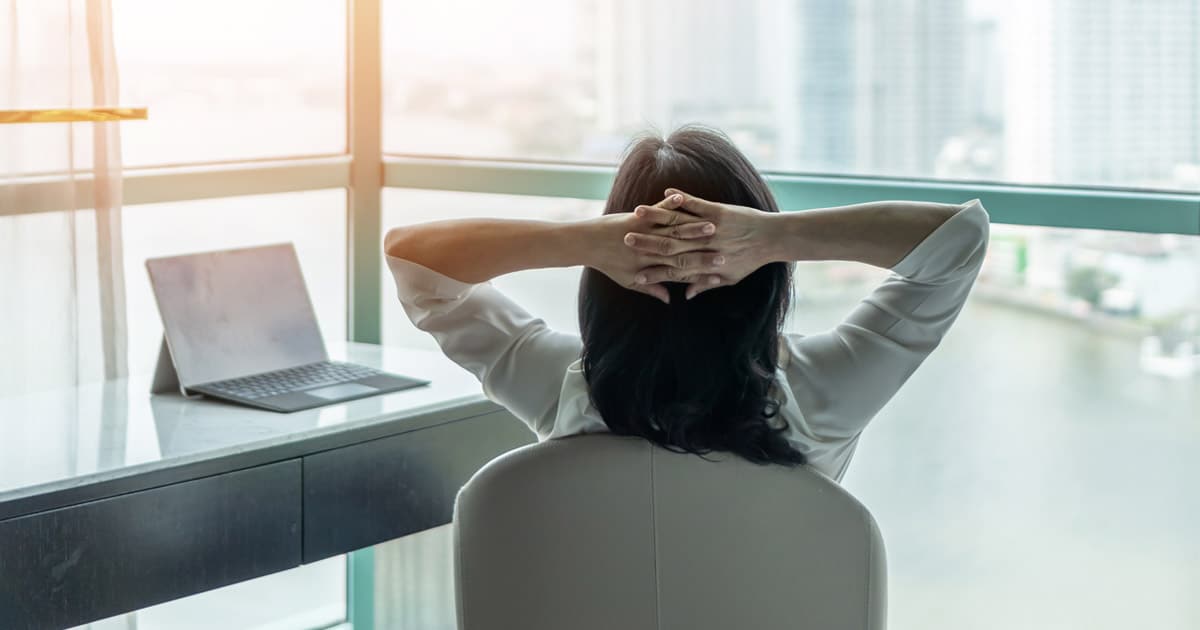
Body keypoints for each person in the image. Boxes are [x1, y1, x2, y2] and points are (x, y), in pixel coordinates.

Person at [384, 126, 989, 481]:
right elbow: (958, 240)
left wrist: (582, 242)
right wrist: (774, 236)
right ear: (762, 276)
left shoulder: (559, 386)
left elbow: (417, 262)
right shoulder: (826, 391)